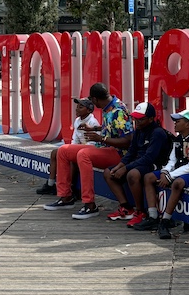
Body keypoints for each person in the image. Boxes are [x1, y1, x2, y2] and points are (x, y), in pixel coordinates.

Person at [43, 82, 132, 219]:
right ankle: (65, 196)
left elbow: (128, 142)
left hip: (119, 154)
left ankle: (90, 204)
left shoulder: (118, 111)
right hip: (106, 148)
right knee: (63, 151)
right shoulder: (107, 106)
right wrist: (95, 129)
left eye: (92, 100)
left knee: (83, 154)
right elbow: (111, 128)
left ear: (95, 99)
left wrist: (101, 139)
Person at [135, 109, 189, 239]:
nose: (174, 124)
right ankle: (153, 216)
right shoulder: (178, 139)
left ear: (188, 124)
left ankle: (165, 220)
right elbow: (172, 160)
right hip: (178, 171)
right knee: (148, 177)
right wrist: (165, 172)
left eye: (178, 121)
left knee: (177, 183)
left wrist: (171, 176)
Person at [104, 102, 171, 227]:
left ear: (151, 119)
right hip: (140, 162)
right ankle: (126, 207)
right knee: (108, 172)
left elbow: (149, 158)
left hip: (155, 164)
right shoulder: (138, 130)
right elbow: (131, 152)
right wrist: (120, 166)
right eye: (135, 118)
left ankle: (141, 212)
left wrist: (126, 168)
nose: (137, 121)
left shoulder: (157, 133)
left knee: (132, 174)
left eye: (141, 119)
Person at [36, 97, 100, 195]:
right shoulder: (77, 120)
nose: (77, 109)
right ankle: (50, 184)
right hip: (79, 148)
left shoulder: (93, 123)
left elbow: (92, 144)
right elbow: (75, 139)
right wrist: (72, 149)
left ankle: (69, 187)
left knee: (71, 159)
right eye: (77, 106)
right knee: (55, 153)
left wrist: (73, 151)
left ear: (89, 110)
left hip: (89, 150)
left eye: (81, 107)